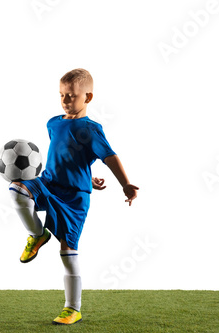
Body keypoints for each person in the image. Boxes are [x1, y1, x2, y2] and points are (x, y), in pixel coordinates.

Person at [8, 68, 139, 325]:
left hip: (75, 198)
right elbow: (67, 157)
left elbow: (109, 157)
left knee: (67, 251)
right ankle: (38, 235)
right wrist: (87, 174)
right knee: (17, 190)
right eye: (62, 95)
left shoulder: (91, 129)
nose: (65, 100)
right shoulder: (53, 123)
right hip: (48, 182)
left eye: (71, 95)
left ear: (87, 97)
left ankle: (72, 308)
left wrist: (125, 184)